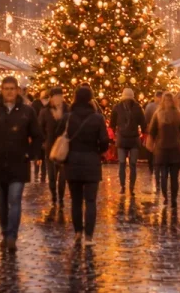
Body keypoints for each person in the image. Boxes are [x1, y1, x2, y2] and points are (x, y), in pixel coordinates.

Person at [0, 76, 44, 252]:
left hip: (18, 162)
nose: (9, 92)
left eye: (12, 88)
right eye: (6, 88)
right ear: (2, 90)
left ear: (17, 90)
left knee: (14, 199)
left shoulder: (27, 112)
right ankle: (5, 231)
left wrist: (31, 153)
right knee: (1, 200)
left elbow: (37, 135)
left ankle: (12, 235)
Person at [55, 87, 110, 246]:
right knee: (91, 201)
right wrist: (98, 151)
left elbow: (59, 136)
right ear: (90, 99)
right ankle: (89, 237)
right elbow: (105, 141)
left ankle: (78, 232)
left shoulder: (68, 117)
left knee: (76, 200)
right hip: (92, 161)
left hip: (72, 162)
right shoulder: (97, 118)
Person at [148, 92, 180, 208]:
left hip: (162, 149)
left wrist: (151, 144)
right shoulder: (179, 114)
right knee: (174, 177)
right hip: (175, 149)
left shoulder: (158, 114)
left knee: (164, 175)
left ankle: (166, 198)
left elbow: (152, 131)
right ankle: (173, 199)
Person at [110, 88, 146, 196]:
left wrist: (144, 133)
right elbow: (112, 123)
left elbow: (142, 122)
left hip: (132, 138)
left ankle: (131, 187)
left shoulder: (136, 108)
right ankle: (123, 186)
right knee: (122, 163)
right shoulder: (117, 108)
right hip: (123, 138)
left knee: (132, 164)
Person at [38, 87, 69, 205]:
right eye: (55, 96)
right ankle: (54, 196)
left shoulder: (67, 110)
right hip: (50, 146)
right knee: (52, 175)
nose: (58, 98)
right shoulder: (45, 112)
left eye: (60, 95)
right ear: (51, 98)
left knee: (63, 175)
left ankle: (60, 198)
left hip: (64, 146)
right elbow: (39, 129)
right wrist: (44, 142)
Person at [144, 91, 163, 190]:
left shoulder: (150, 106)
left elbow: (146, 119)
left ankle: (153, 167)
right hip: (158, 132)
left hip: (153, 132)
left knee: (151, 150)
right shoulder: (153, 107)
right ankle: (155, 168)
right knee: (154, 150)